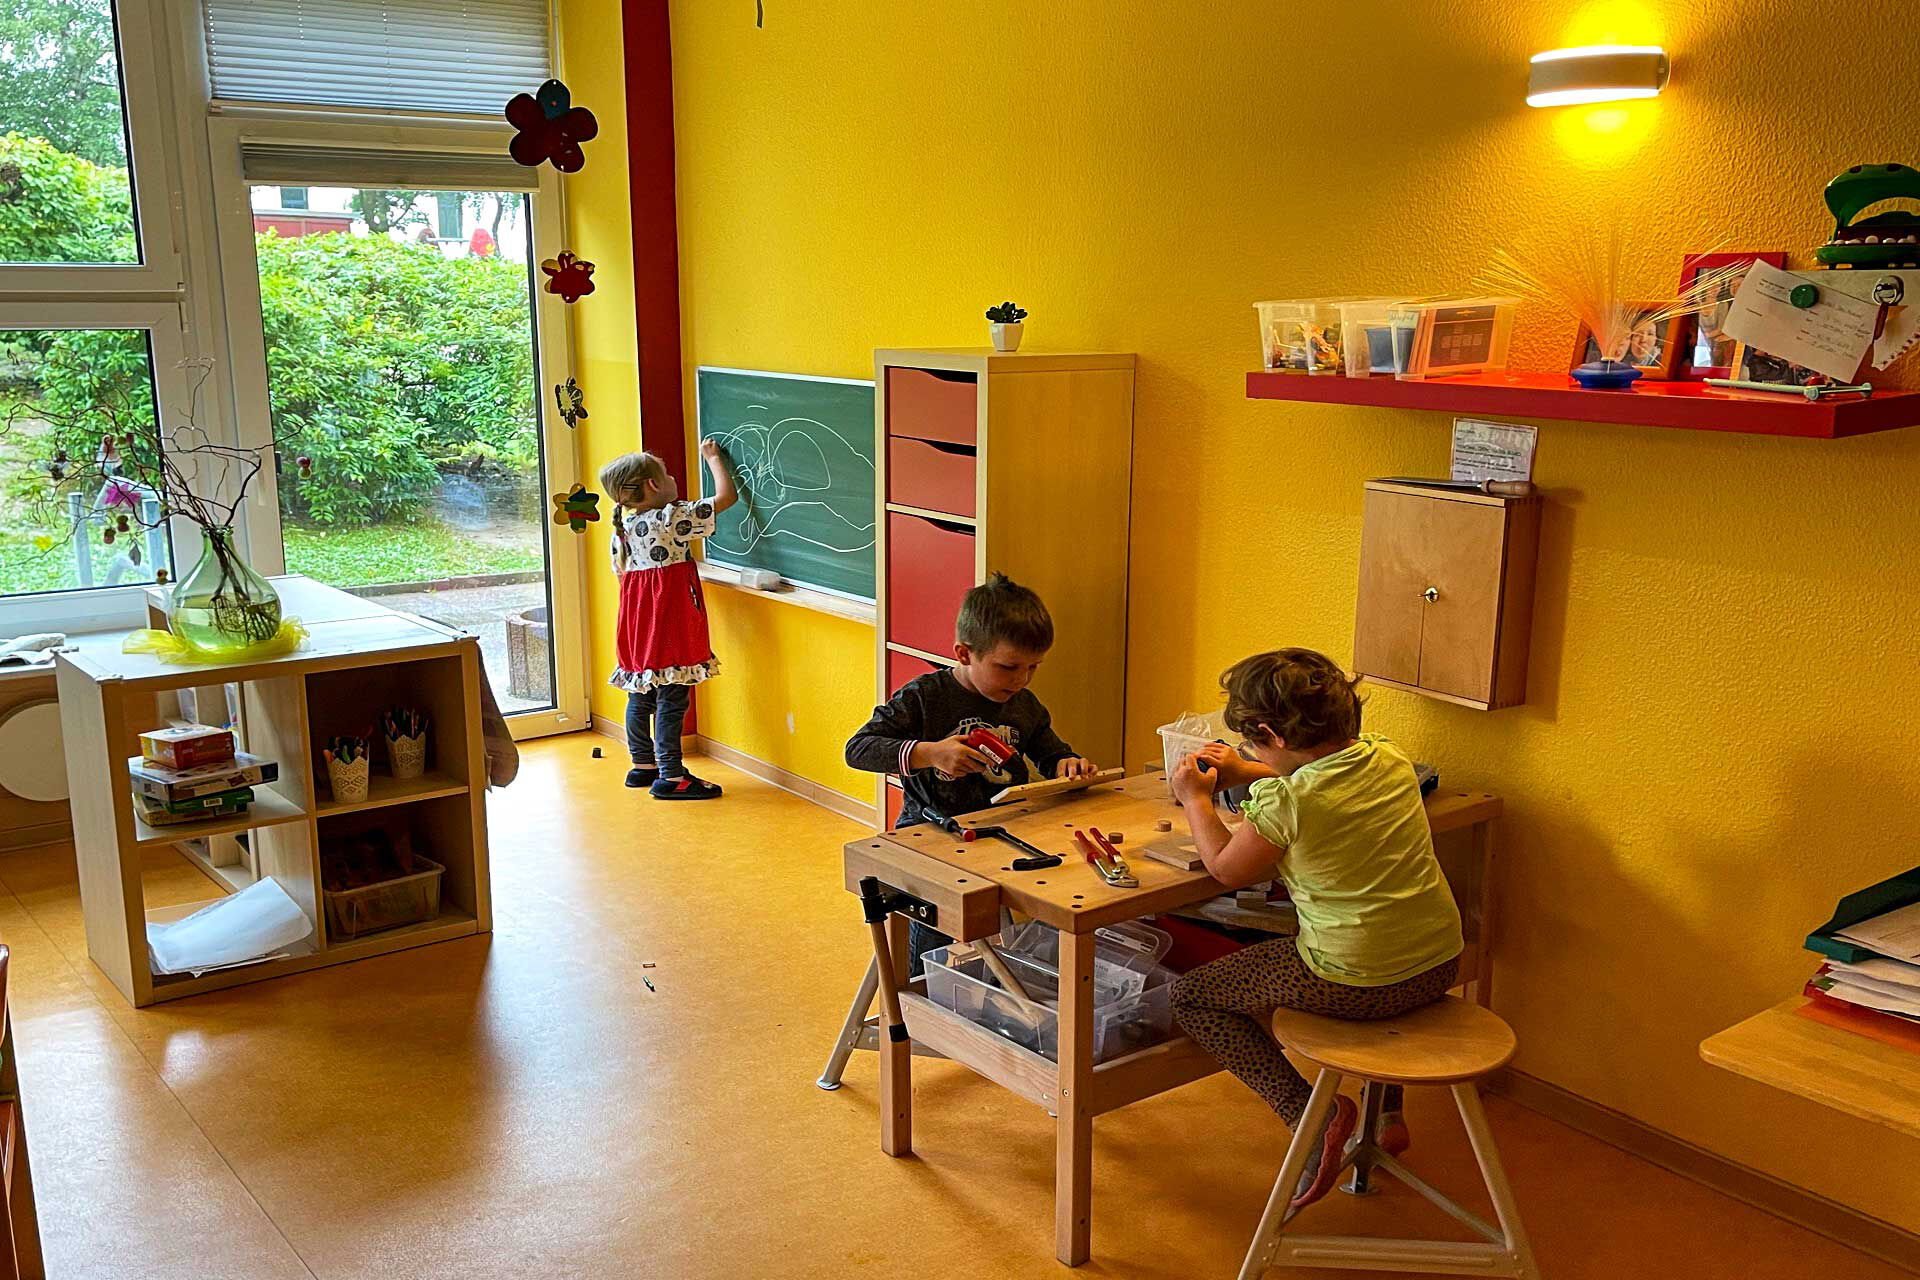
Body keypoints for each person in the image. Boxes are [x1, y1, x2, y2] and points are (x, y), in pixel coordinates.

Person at [1167, 648, 1462, 1210]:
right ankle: (1388, 1117)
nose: (1251, 754)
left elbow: (1226, 868)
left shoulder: (1289, 800)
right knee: (1381, 957)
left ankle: (1313, 1116)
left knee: (1193, 997)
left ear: (1269, 735)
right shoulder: (1389, 757)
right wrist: (1247, 770)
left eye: (1251, 745)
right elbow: (1317, 776)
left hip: (1355, 981)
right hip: (1439, 961)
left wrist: (1195, 800)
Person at [845, 573, 1096, 967]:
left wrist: (1068, 765)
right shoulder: (924, 697)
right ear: (964, 654)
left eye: (1033, 667)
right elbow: (858, 749)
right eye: (1009, 666)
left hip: (1002, 831)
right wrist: (928, 753)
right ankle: (924, 1009)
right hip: (931, 831)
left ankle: (985, 1005)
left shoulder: (1024, 704)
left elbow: (1052, 755)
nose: (1022, 679)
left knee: (1000, 940)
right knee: (936, 939)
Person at [600, 441, 737, 799]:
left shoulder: (623, 530)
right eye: (667, 474)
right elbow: (724, 499)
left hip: (637, 622)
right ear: (652, 485)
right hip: (668, 619)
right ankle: (672, 776)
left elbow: (625, 579)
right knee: (673, 696)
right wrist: (714, 459)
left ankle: (643, 764)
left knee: (642, 692)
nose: (674, 477)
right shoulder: (669, 519)